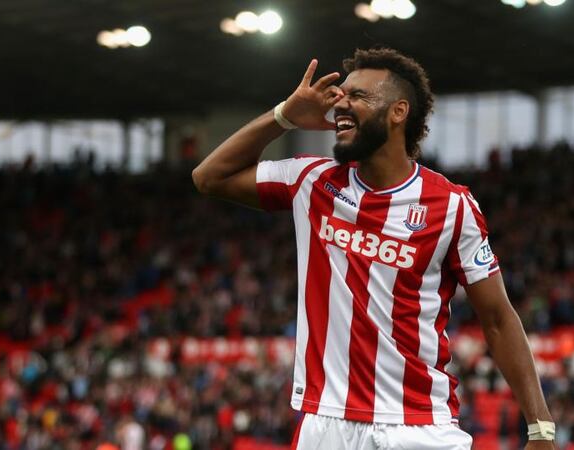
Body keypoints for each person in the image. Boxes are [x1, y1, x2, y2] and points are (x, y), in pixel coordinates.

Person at [192, 47, 555, 450]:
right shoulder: (311, 180)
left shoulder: (452, 206)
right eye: (341, 95)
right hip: (326, 423)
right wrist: (285, 117)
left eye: (359, 96)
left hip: (418, 426)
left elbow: (499, 318)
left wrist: (540, 425)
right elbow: (208, 177)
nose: (341, 104)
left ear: (398, 112)